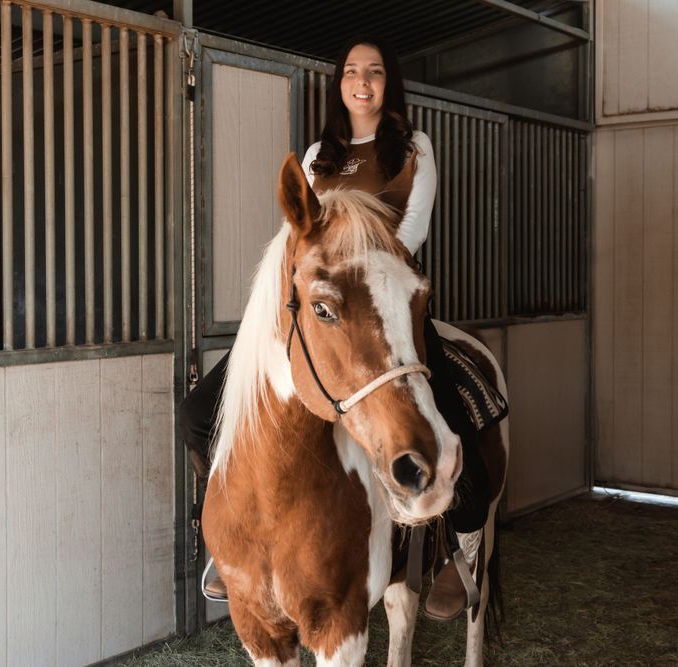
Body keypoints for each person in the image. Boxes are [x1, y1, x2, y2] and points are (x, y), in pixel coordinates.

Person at [180, 34, 491, 621]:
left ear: (388, 81)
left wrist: (362, 267)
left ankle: (461, 547)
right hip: (325, 313)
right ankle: (224, 538)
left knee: (451, 407)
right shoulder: (319, 153)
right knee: (198, 414)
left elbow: (411, 230)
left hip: (386, 301)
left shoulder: (413, 148)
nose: (362, 81)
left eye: (374, 71)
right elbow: (298, 237)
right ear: (340, 83)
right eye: (352, 71)